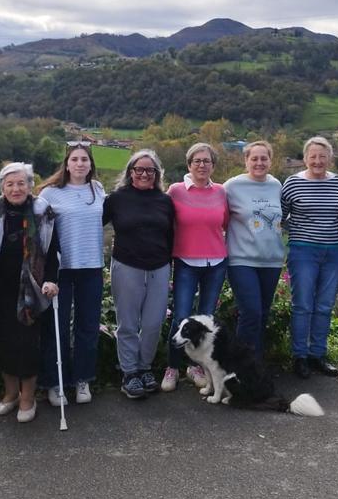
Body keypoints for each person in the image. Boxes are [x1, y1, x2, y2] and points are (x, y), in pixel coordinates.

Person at [0, 162, 59, 423]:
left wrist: (52, 280)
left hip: (32, 290)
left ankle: (27, 398)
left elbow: (53, 252)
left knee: (28, 345)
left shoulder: (43, 212)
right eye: (10, 184)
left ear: (31, 185)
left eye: (21, 183)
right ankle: (10, 394)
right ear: (2, 187)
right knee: (2, 343)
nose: (16, 188)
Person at [36, 142, 105, 406]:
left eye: (84, 160)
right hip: (60, 270)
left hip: (91, 267)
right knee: (57, 327)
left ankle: (83, 379)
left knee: (88, 326)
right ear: (67, 164)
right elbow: (38, 231)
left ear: (90, 165)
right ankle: (55, 382)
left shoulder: (97, 189)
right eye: (75, 159)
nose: (80, 164)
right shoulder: (50, 193)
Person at [103, 149, 175, 399]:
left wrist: (169, 264)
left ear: (157, 174)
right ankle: (129, 373)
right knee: (128, 324)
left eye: (150, 170)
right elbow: (93, 224)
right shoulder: (116, 199)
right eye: (139, 169)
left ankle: (145, 367)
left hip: (159, 267)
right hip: (127, 266)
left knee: (154, 323)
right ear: (130, 172)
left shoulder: (165, 201)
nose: (145, 174)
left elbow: (170, 235)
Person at [162, 143, 229, 392]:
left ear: (213, 165)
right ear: (189, 164)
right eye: (197, 161)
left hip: (216, 263)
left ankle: (196, 366)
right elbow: (165, 223)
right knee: (180, 317)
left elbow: (226, 223)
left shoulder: (222, 192)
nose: (202, 165)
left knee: (205, 319)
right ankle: (173, 367)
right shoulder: (176, 191)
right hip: (186, 262)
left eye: (207, 161)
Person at [281, 136, 338, 379]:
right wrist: (303, 230)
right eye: (313, 156)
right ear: (305, 159)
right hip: (303, 251)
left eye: (322, 156)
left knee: (324, 306)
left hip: (334, 251)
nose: (318, 161)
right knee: (303, 305)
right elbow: (281, 217)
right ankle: (300, 356)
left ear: (330, 158)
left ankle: (317, 355)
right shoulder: (292, 183)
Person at [224, 141, 285, 361]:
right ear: (246, 161)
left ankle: (256, 366)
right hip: (242, 260)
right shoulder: (232, 186)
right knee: (251, 313)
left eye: (264, 158)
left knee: (263, 315)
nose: (259, 163)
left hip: (271, 260)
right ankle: (240, 367)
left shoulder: (276, 185)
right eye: (254, 158)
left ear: (270, 160)